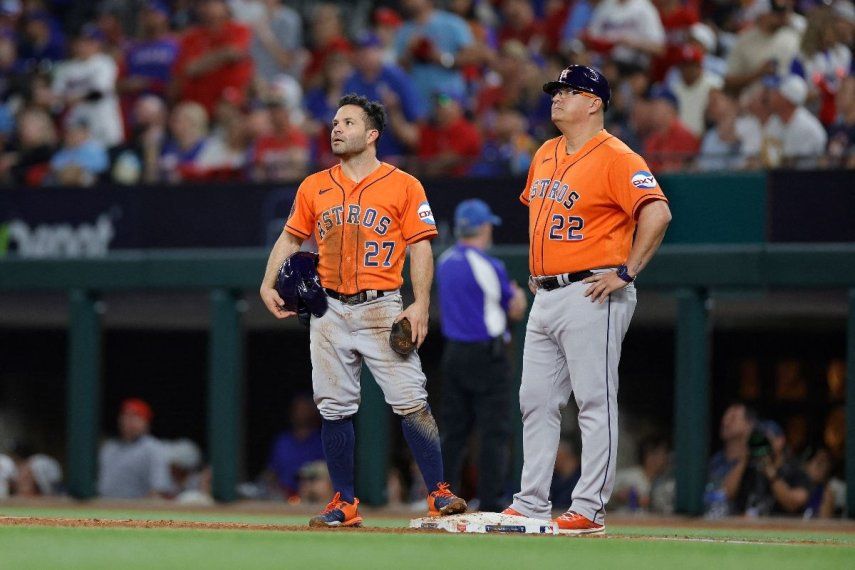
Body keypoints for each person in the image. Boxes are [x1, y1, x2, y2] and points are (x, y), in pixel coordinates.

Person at [259, 93, 467, 528]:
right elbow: (291, 237)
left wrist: (421, 303)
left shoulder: (405, 184)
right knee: (333, 407)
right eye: (334, 122)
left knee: (412, 402)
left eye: (348, 122)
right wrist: (267, 279)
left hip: (382, 306)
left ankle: (438, 493)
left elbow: (421, 247)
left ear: (372, 134)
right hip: (328, 309)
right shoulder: (313, 185)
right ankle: (344, 503)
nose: (336, 128)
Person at [502, 65, 671, 535]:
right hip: (548, 292)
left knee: (594, 401)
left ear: (594, 102)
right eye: (555, 91)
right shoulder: (545, 152)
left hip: (593, 291)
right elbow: (542, 218)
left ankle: (590, 508)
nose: (556, 98)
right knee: (534, 399)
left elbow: (657, 212)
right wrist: (542, 268)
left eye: (568, 91)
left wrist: (627, 270)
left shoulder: (618, 156)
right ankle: (531, 501)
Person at [436, 198, 527, 512]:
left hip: (454, 354)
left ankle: (443, 496)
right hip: (487, 355)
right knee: (494, 432)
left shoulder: (444, 260)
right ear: (483, 228)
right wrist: (516, 295)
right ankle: (489, 501)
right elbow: (513, 307)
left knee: (453, 432)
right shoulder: (489, 265)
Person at [97, 398, 172, 499]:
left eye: (134, 417)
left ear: (146, 422)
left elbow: (159, 490)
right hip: (104, 508)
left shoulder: (153, 448)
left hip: (136, 510)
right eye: (125, 416)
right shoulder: (109, 447)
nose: (128, 421)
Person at [705, 402, 756, 515]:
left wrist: (745, 458)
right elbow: (723, 493)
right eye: (725, 418)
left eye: (732, 418)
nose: (725, 423)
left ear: (749, 425)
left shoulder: (758, 463)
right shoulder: (715, 461)